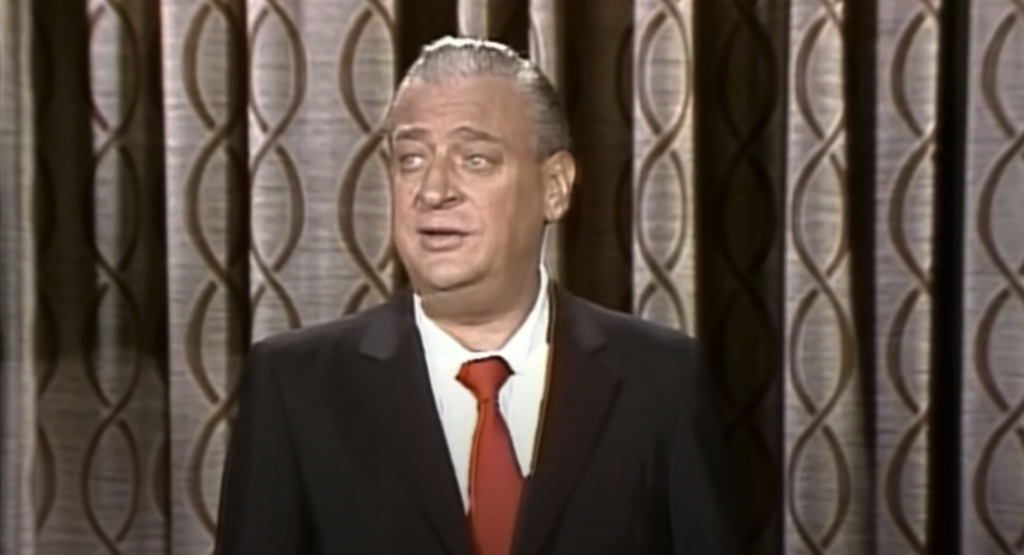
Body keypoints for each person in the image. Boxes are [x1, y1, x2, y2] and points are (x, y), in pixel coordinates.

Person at [213, 36, 738, 555]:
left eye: (477, 159)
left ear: (555, 186)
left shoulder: (660, 380)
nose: (434, 190)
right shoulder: (296, 386)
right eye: (411, 159)